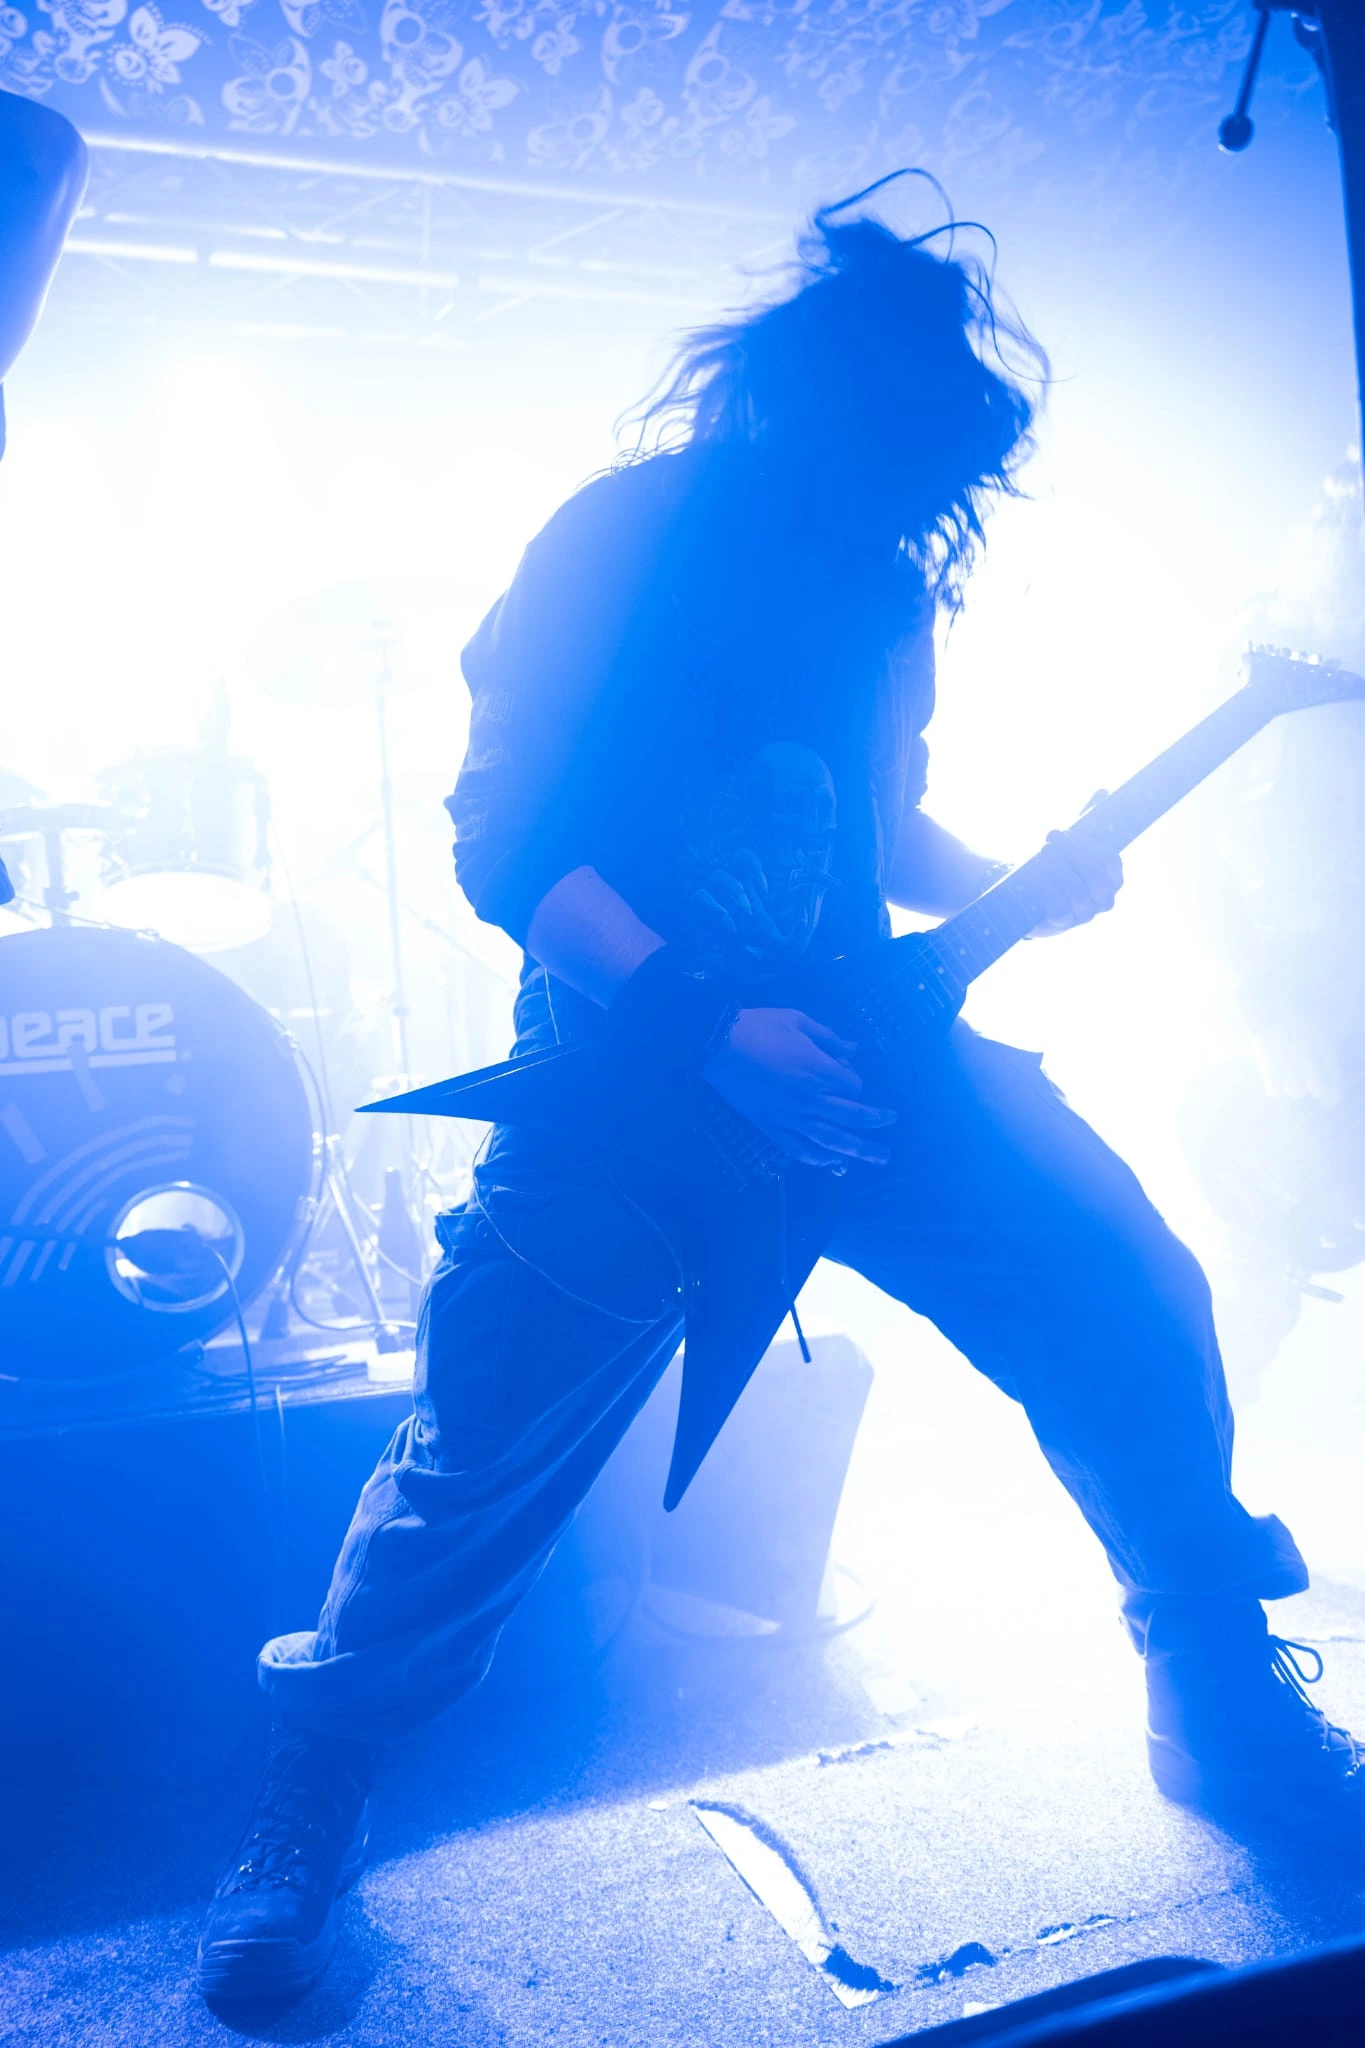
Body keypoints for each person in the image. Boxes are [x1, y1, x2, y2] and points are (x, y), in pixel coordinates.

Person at [199, 180, 1363, 2008]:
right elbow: (509, 840)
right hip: (629, 1079)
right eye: (904, 470)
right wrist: (710, 1027)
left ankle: (1216, 1694)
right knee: (479, 1459)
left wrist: (1020, 873)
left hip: (878, 1061)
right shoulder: (623, 538)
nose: (920, 516)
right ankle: (309, 1800)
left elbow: (870, 828)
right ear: (828, 414)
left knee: (1124, 1290)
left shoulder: (881, 578)